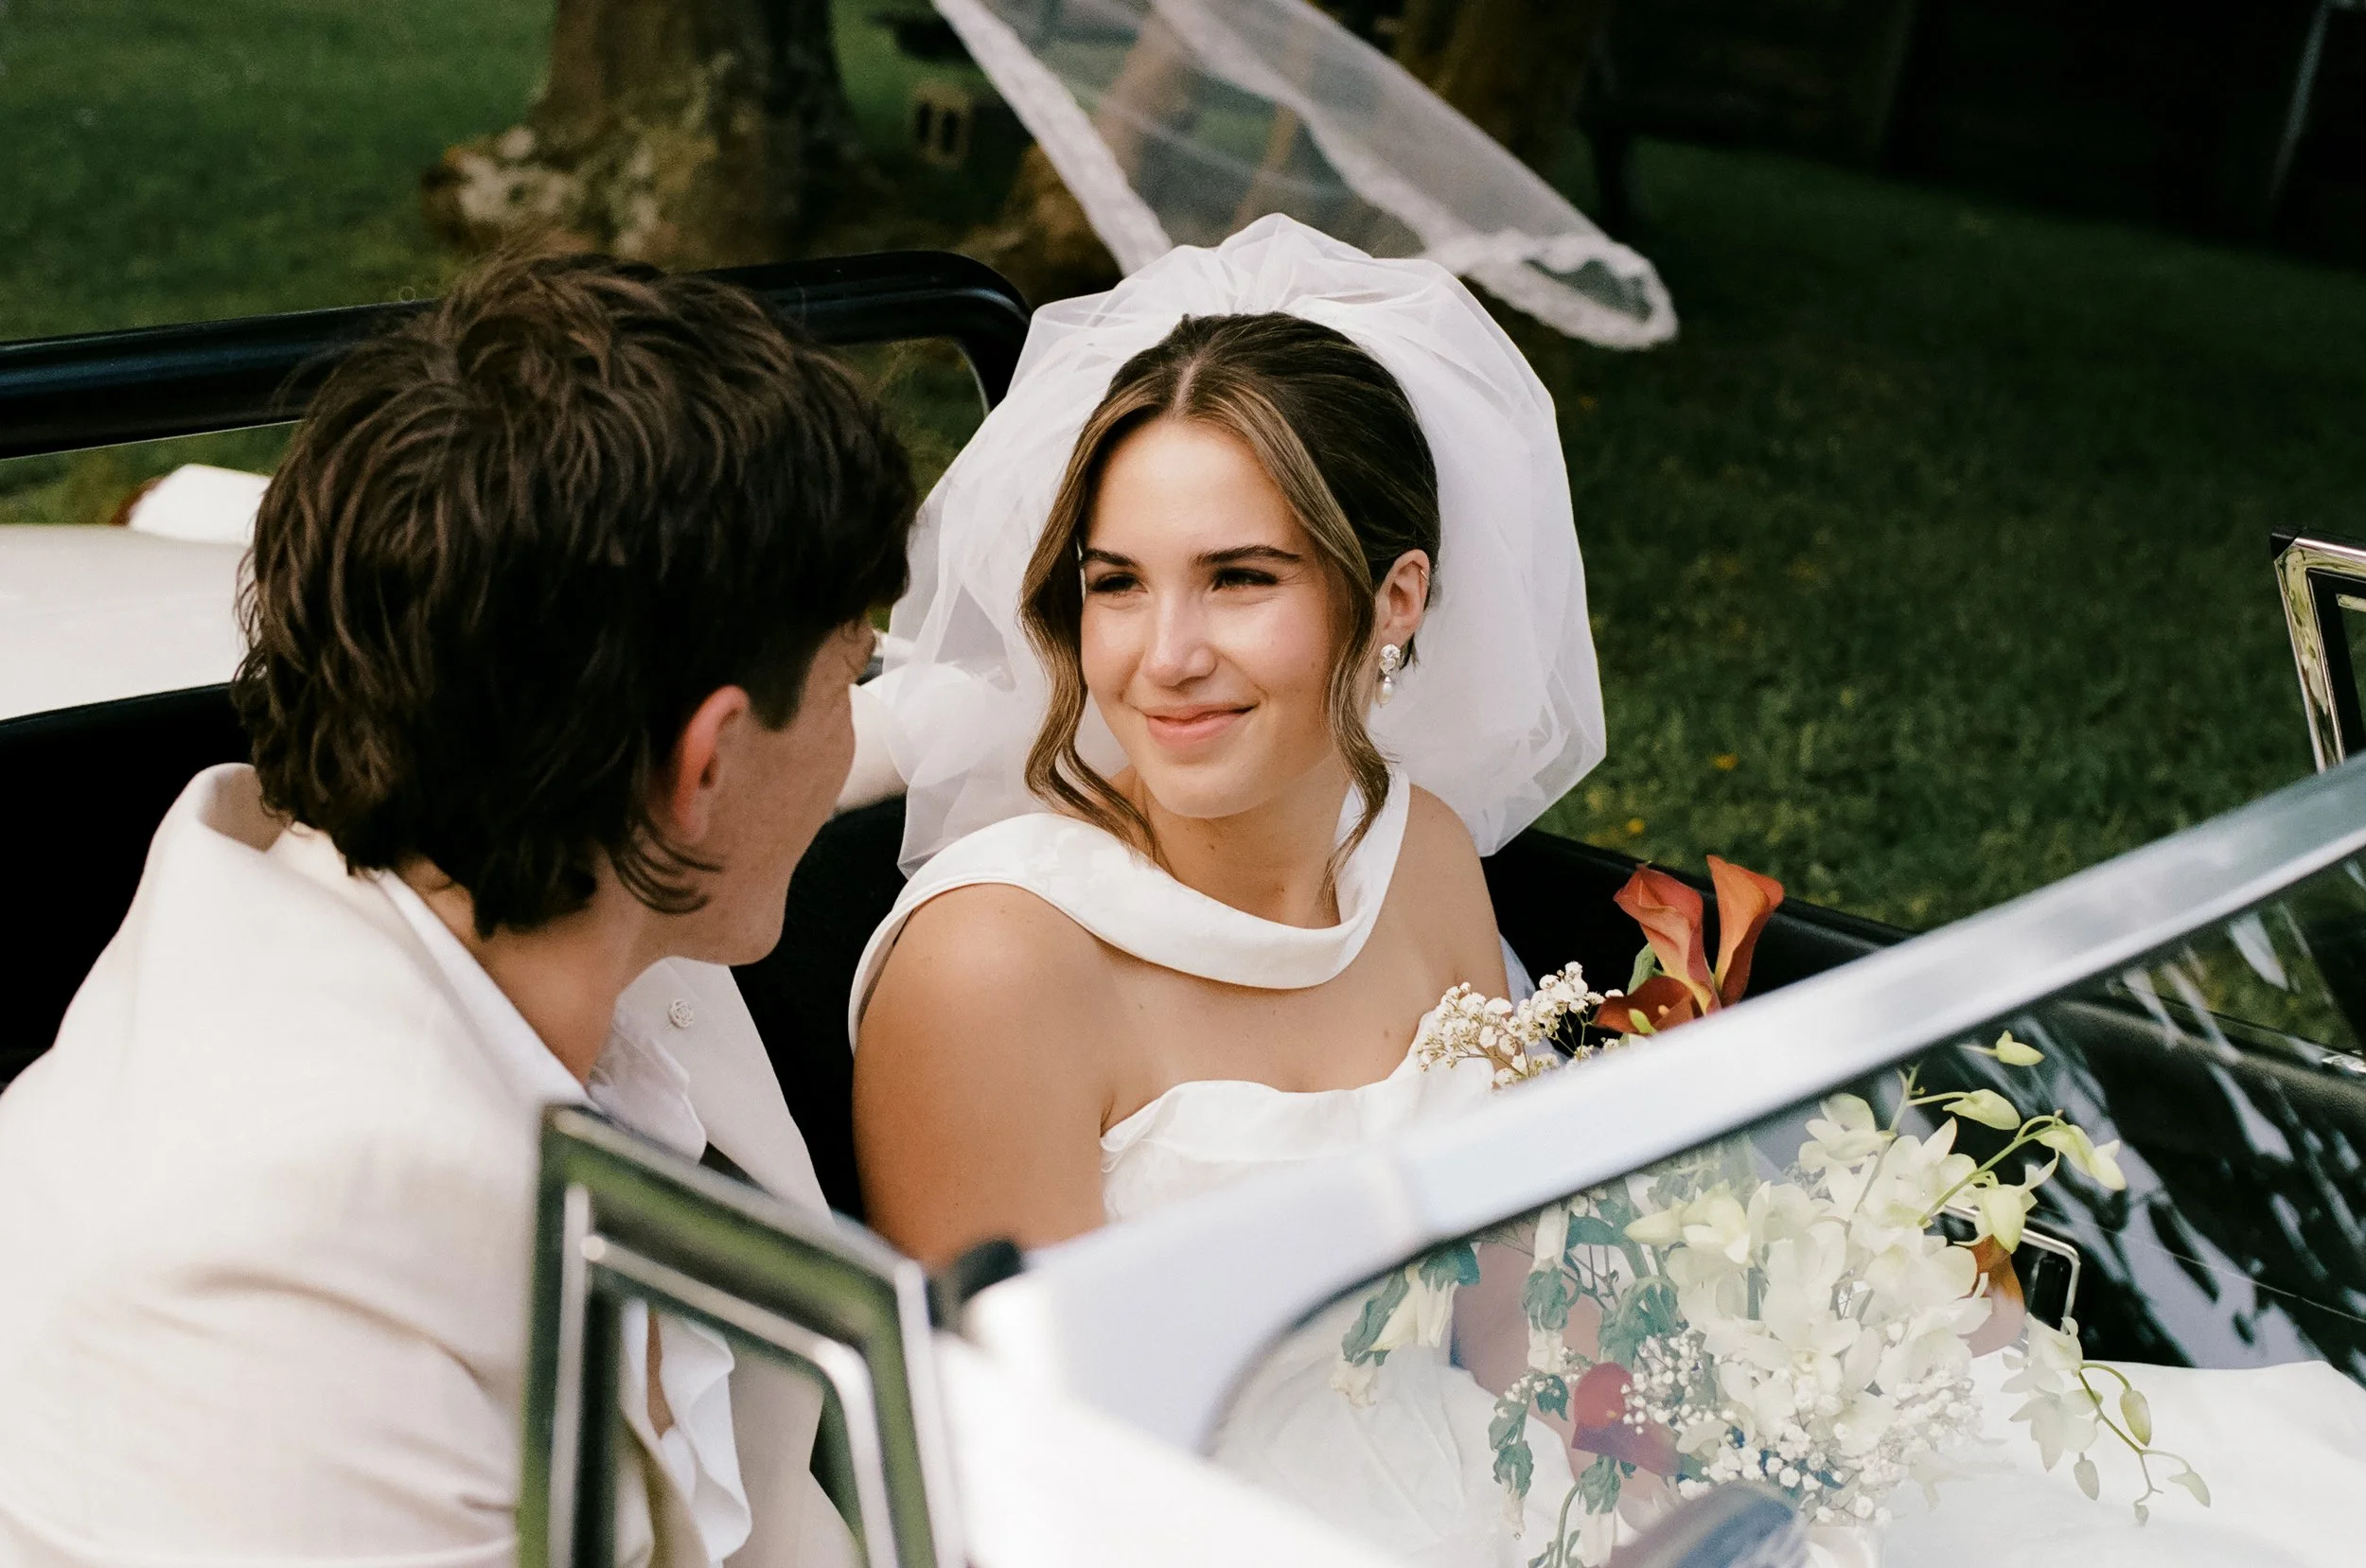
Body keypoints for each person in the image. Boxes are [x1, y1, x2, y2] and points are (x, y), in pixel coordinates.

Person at [0, 253, 915, 1568]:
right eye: (849, 671)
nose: (856, 721)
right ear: (702, 767)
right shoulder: (290, 1285)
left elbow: (883, 735)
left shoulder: (530, 860)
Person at [848, 216, 1604, 1562]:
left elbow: (1514, 1318)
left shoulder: (1423, 854)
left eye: (1241, 579)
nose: (1165, 656)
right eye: (1117, 586)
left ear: (1394, 599)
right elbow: (1039, 1493)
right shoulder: (999, 968)